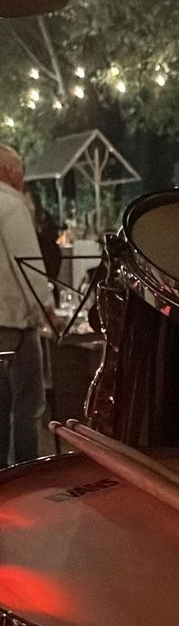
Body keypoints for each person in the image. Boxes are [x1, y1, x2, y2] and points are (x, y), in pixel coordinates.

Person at [0, 145, 56, 467]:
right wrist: (49, 314)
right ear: (11, 171)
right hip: (15, 329)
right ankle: (26, 479)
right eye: (19, 169)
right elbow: (29, 269)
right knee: (27, 408)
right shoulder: (12, 206)